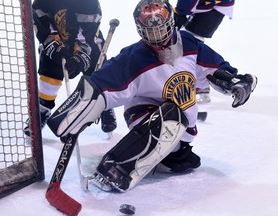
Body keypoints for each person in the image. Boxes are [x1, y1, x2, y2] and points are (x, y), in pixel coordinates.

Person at [47, 0, 257, 192]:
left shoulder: (189, 44)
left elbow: (215, 68)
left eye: (160, 28)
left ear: (171, 23)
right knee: (171, 117)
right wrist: (77, 109)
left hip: (182, 125)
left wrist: (235, 82)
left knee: (181, 151)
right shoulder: (133, 57)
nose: (156, 36)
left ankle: (167, 157)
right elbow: (101, 84)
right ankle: (114, 170)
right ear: (140, 30)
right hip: (144, 113)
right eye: (150, 30)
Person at [23, 0, 117, 137]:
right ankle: (42, 109)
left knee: (98, 68)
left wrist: (80, 53)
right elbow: (39, 16)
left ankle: (103, 104)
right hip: (56, 38)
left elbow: (89, 28)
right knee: (49, 70)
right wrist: (52, 43)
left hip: (87, 41)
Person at [173, 0, 235, 103]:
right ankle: (200, 88)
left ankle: (199, 88)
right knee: (190, 39)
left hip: (213, 6)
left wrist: (180, 12)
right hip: (214, 5)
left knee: (189, 41)